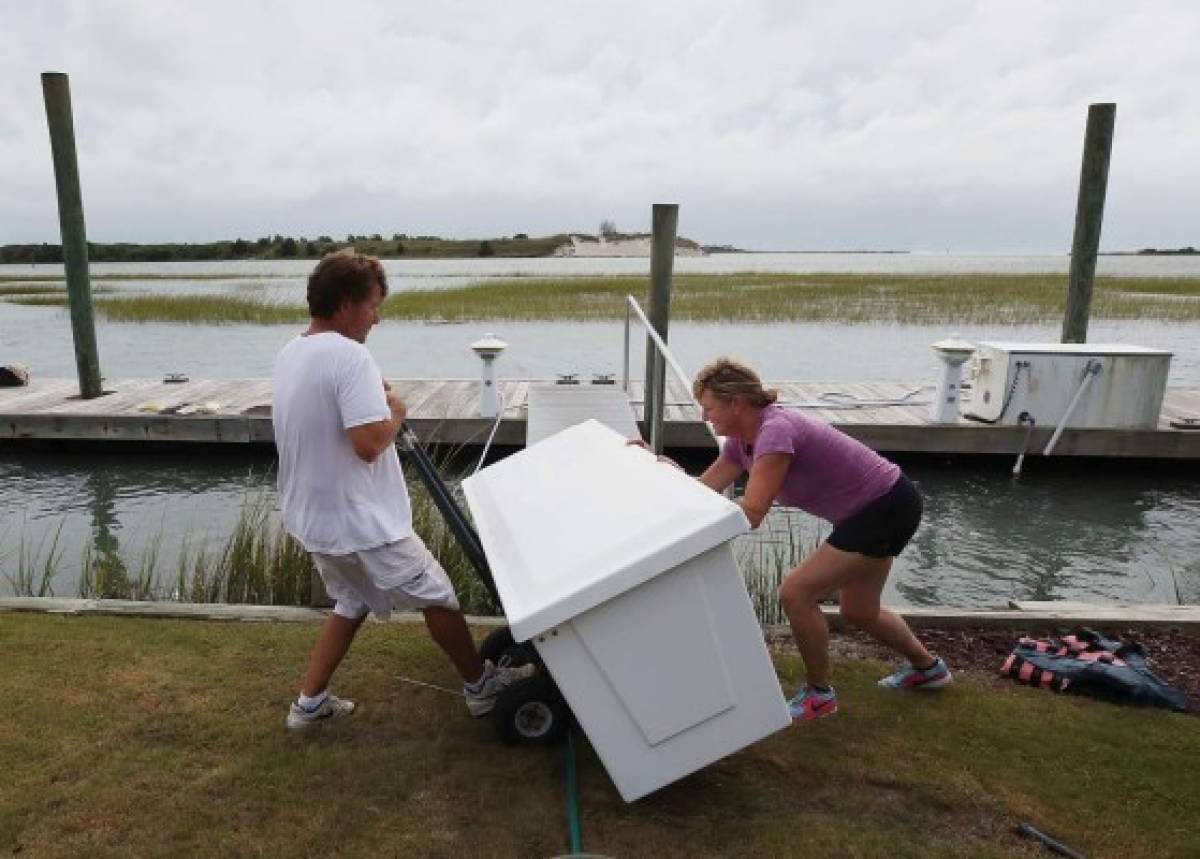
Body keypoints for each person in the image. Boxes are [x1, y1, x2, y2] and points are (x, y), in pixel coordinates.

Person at [272, 250, 533, 731]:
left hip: (313, 515)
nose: (377, 317)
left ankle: (307, 706)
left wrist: (376, 396)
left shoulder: (294, 351)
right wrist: (397, 408)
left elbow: (333, 414)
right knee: (439, 596)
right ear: (347, 304)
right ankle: (480, 688)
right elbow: (369, 443)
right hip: (361, 520)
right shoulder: (351, 356)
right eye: (373, 305)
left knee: (350, 602)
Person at [690, 357, 951, 723]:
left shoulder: (775, 432)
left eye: (709, 408)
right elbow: (704, 491)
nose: (705, 418)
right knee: (859, 611)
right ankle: (929, 669)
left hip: (885, 507)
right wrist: (660, 469)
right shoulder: (740, 442)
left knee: (796, 592)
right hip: (875, 508)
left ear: (736, 404)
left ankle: (819, 694)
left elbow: (752, 511)